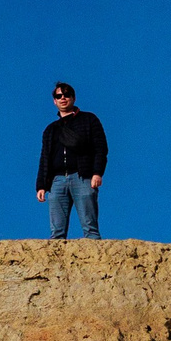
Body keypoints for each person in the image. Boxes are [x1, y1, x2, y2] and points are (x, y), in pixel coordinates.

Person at [35, 81, 107, 239]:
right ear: (54, 101)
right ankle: (57, 263)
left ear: (73, 98)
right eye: (59, 96)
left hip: (82, 177)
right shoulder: (50, 130)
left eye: (66, 95)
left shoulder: (89, 120)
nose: (63, 98)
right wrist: (41, 185)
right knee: (57, 233)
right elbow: (45, 158)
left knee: (90, 229)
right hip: (57, 181)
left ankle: (95, 261)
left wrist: (97, 173)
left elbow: (100, 148)